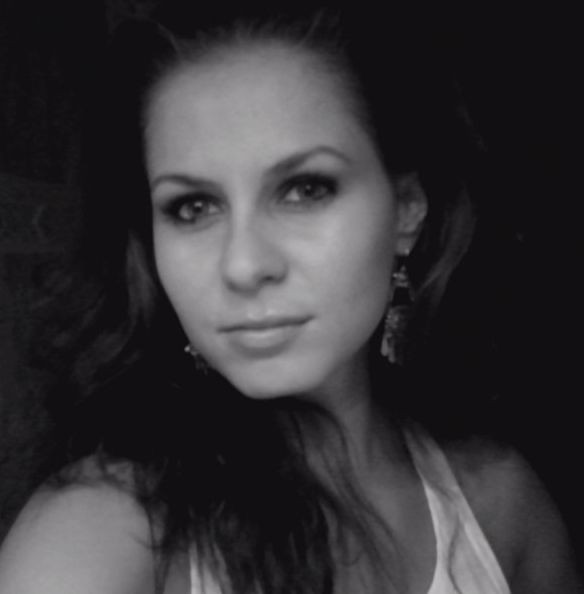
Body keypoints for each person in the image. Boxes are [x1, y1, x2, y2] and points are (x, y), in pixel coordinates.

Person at [0, 3, 581, 593]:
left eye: (305, 189)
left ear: (406, 209)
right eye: (193, 207)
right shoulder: (99, 535)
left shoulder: (499, 499)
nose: (243, 265)